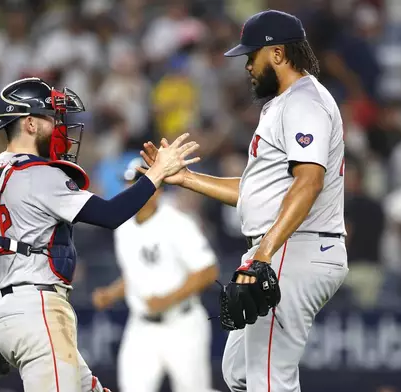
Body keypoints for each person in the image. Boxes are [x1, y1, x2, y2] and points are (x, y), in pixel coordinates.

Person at [139, 10, 348, 392]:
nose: (248, 65)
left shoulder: (305, 102)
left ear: (279, 55)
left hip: (293, 246)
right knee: (239, 373)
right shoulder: (285, 103)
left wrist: (264, 255)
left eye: (253, 55)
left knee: (270, 380)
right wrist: (183, 178)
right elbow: (257, 193)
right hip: (286, 244)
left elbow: (309, 182)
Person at [0, 77, 200, 392]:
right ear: (28, 123)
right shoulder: (39, 175)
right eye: (50, 117)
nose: (58, 125)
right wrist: (157, 174)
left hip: (7, 314)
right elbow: (110, 215)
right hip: (39, 312)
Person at [91, 158, 219, 392]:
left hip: (182, 324)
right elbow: (136, 273)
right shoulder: (123, 226)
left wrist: (167, 299)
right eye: (128, 183)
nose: (131, 189)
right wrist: (111, 293)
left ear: (157, 190)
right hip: (141, 327)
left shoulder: (177, 223)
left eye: (138, 183)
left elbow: (208, 271)